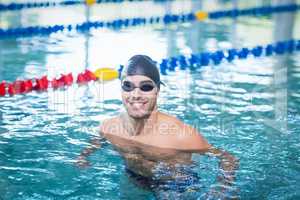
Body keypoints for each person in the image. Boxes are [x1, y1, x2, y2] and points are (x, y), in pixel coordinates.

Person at [77, 55, 239, 199]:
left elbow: (227, 158)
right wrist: (84, 156)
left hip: (176, 184)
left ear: (158, 91)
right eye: (128, 86)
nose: (136, 95)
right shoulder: (109, 127)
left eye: (146, 87)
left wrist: (222, 187)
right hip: (134, 177)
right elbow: (98, 140)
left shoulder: (181, 135)